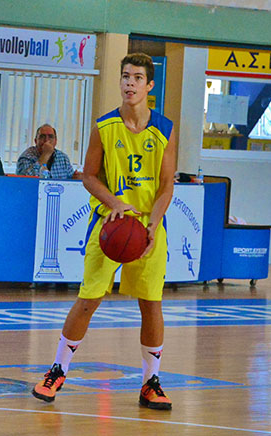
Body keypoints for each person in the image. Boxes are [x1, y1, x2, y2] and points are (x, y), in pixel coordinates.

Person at [31, 53, 177, 410]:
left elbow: (166, 185)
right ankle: (57, 370)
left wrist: (154, 223)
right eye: (125, 76)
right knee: (88, 299)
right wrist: (115, 203)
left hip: (148, 227)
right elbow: (89, 176)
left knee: (151, 304)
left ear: (150, 85)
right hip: (111, 224)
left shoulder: (165, 129)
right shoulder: (104, 126)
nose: (130, 83)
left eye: (137, 78)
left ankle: (151, 382)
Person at [16, 124, 82, 179]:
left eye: (50, 137)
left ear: (55, 141)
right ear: (36, 141)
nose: (46, 140)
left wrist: (77, 177)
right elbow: (25, 181)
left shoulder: (63, 158)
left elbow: (70, 179)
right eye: (42, 136)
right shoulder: (26, 157)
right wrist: (46, 155)